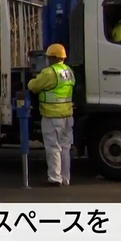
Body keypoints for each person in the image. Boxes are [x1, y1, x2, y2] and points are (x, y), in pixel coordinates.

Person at [27, 43, 75, 187]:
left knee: (53, 147)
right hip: (67, 115)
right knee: (65, 148)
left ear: (52, 58)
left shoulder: (49, 73)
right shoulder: (68, 71)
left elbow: (33, 86)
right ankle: (65, 178)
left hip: (52, 116)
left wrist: (33, 79)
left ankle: (55, 178)